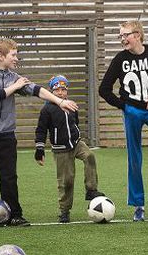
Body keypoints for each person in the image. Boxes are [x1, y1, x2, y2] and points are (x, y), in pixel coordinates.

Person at [0, 38, 78, 228]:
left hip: (6, 136)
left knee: (9, 177)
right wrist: (16, 86)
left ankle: (15, 215)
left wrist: (59, 102)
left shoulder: (14, 77)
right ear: (1, 56)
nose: (16, 58)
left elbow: (37, 90)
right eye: (13, 55)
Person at [98, 20, 148, 222]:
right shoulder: (120, 59)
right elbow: (104, 89)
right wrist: (124, 106)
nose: (123, 39)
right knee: (134, 158)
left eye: (125, 35)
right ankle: (138, 205)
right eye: (120, 36)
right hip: (132, 111)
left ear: (138, 35)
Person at [35, 74, 104, 223]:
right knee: (67, 181)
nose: (60, 93)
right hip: (61, 149)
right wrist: (39, 149)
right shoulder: (47, 110)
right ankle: (64, 211)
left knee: (90, 156)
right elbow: (41, 130)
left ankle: (91, 190)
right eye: (57, 90)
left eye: (63, 89)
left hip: (76, 143)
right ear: (51, 91)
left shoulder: (72, 106)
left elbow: (75, 123)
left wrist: (76, 135)